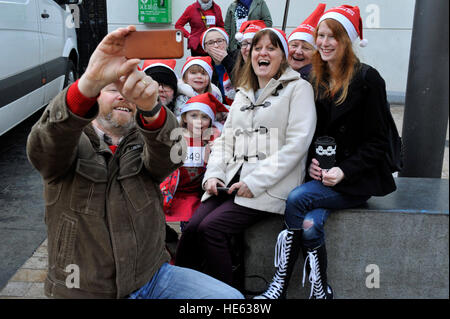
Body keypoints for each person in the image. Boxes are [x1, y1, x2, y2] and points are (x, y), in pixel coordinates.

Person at [26, 25, 243, 299]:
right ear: (94, 96)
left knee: (232, 301)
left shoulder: (145, 138)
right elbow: (44, 146)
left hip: (152, 277)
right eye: (110, 88)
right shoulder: (70, 139)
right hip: (83, 288)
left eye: (129, 91)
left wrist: (152, 109)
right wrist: (86, 84)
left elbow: (171, 155)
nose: (122, 95)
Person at [254, 5, 396, 300]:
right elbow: (309, 133)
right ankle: (321, 290)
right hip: (320, 176)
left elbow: (379, 141)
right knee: (310, 224)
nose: (324, 42)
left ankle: (278, 285)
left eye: (334, 36)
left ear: (348, 41)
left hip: (356, 178)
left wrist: (344, 170)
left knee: (296, 199)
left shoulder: (369, 79)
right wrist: (311, 167)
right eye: (321, 35)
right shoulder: (313, 78)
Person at [175, 28, 317, 288]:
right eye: (257, 48)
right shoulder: (243, 93)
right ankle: (181, 289)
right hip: (231, 179)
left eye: (271, 48)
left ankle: (228, 298)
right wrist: (214, 174)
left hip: (270, 185)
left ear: (282, 56)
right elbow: (225, 140)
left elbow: (297, 145)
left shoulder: (299, 89)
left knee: (212, 229)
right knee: (193, 227)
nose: (262, 53)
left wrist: (256, 182)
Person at [161, 93, 228, 232]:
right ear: (184, 117)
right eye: (194, 116)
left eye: (204, 117)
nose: (199, 121)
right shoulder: (174, 137)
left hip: (196, 195)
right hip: (171, 193)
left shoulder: (213, 139)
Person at [287, 3, 326, 80]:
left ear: (316, 54)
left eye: (306, 48)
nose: (298, 52)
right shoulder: (273, 73)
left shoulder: (315, 82)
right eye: (294, 45)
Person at [201, 27, 236, 105]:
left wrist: (226, 60)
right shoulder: (205, 67)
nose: (216, 46)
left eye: (219, 41)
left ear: (226, 43)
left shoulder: (239, 57)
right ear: (205, 48)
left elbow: (243, 82)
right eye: (210, 43)